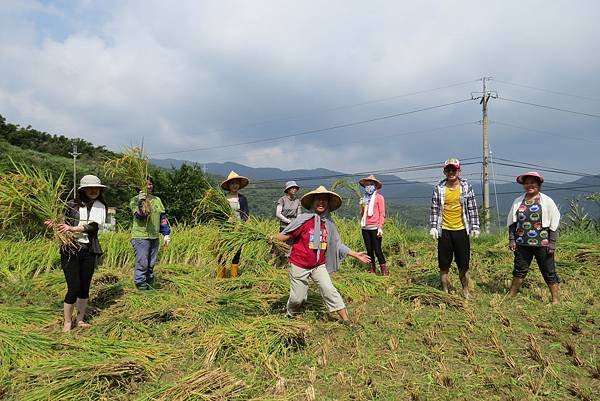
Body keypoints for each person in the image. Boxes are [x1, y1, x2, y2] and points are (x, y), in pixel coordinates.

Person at [273, 186, 371, 327]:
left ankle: (347, 320)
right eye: (318, 200)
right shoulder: (304, 220)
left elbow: (337, 245)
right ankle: (290, 315)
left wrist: (355, 254)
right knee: (297, 298)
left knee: (329, 290)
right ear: (313, 202)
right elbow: (287, 235)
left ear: (328, 204)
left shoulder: (329, 224)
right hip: (299, 264)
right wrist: (270, 238)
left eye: (324, 200)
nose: (321, 203)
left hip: (318, 265)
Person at [45, 175, 108, 332]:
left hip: (89, 250)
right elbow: (62, 222)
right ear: (82, 190)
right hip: (70, 249)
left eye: (96, 188)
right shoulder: (71, 205)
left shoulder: (100, 205)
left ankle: (80, 319)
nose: (93, 191)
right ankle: (67, 322)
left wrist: (72, 229)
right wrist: (54, 224)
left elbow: (93, 226)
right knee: (73, 287)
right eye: (90, 188)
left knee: (84, 287)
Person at [507, 172, 561, 304]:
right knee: (519, 269)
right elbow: (512, 222)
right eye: (526, 183)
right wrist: (512, 239)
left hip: (543, 243)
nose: (529, 185)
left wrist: (552, 243)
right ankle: (512, 294)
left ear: (539, 184)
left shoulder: (547, 201)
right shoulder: (518, 201)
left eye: (532, 183)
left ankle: (555, 299)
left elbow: (554, 222)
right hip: (522, 243)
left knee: (548, 270)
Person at [429, 158, 480, 299]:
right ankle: (445, 291)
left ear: (459, 171)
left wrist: (475, 227)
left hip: (461, 230)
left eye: (454, 169)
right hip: (444, 230)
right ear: (444, 171)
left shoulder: (466, 187)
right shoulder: (439, 188)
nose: (451, 172)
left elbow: (472, 208)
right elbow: (435, 209)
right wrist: (433, 227)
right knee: (444, 264)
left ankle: (465, 291)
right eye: (448, 170)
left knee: (463, 264)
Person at [130, 176, 171, 290]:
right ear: (139, 186)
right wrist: (141, 201)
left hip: (154, 236)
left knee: (151, 262)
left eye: (150, 184)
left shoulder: (157, 200)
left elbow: (162, 217)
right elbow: (140, 217)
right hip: (140, 236)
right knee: (142, 262)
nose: (149, 186)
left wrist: (166, 233)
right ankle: (140, 284)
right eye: (146, 184)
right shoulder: (134, 200)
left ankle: (149, 282)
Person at [219, 171, 250, 278]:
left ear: (239, 185)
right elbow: (217, 214)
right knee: (222, 252)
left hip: (238, 229)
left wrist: (241, 225)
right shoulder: (223, 198)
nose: (235, 185)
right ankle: (220, 277)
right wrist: (226, 221)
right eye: (232, 183)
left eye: (236, 183)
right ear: (228, 185)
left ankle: (233, 277)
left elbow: (245, 214)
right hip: (225, 229)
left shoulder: (242, 199)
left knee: (236, 252)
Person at [359, 174, 387, 275]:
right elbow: (362, 214)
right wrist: (362, 206)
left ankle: (384, 270)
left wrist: (380, 227)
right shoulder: (364, 199)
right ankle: (372, 269)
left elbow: (382, 213)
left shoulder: (379, 198)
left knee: (377, 249)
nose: (368, 186)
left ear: (375, 186)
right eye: (367, 185)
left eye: (370, 184)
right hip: (365, 227)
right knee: (369, 250)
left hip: (375, 227)